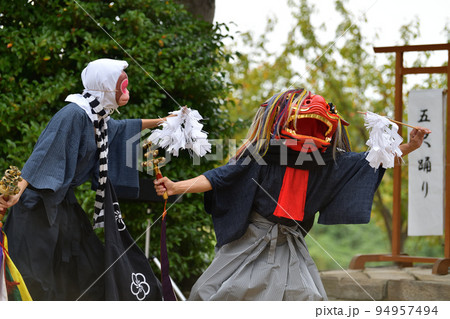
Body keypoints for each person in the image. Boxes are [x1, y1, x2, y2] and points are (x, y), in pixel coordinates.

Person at [154, 88, 431, 301]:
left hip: (291, 244)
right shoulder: (261, 155)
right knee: (208, 293)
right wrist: (176, 186)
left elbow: (374, 159)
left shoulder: (329, 163)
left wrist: (410, 146)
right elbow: (219, 177)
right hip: (250, 241)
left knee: (307, 301)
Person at [0, 58, 170, 300]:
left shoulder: (98, 119)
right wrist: (16, 191)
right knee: (35, 280)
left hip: (63, 206)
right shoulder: (73, 114)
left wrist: (164, 122)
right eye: (122, 85)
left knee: (88, 267)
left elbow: (121, 129)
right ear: (105, 85)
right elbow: (42, 154)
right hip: (36, 208)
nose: (126, 91)